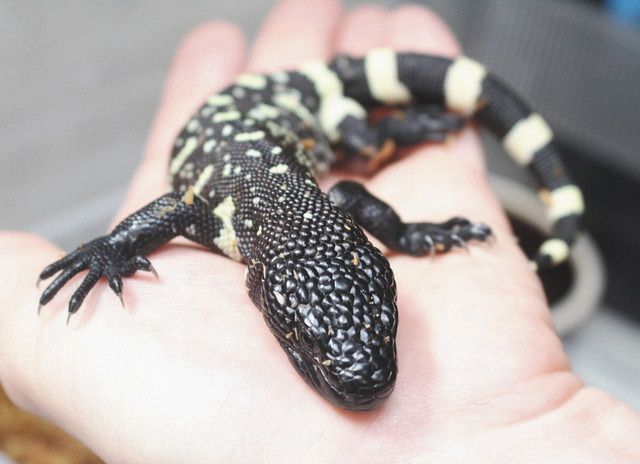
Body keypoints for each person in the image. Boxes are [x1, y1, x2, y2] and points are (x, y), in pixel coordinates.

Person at [1, 1, 639, 462]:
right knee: (359, 148)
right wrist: (114, 246)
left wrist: (409, 233)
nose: (366, 370)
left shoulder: (278, 221)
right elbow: (185, 208)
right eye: (308, 337)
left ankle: (398, 126)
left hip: (311, 103)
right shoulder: (235, 219)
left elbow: (339, 199)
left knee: (355, 142)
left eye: (383, 326)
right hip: (291, 105)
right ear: (267, 296)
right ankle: (390, 128)